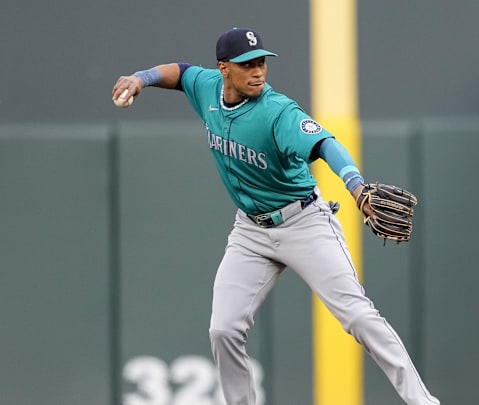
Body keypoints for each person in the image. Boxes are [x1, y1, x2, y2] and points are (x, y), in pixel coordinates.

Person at [111, 27, 440, 405]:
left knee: (358, 316)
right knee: (223, 329)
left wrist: (357, 187)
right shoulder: (207, 88)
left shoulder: (277, 112)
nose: (258, 71)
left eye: (261, 62)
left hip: (304, 222)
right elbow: (182, 72)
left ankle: (423, 402)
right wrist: (142, 78)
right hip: (250, 231)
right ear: (223, 69)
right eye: (247, 64)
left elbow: (326, 144)